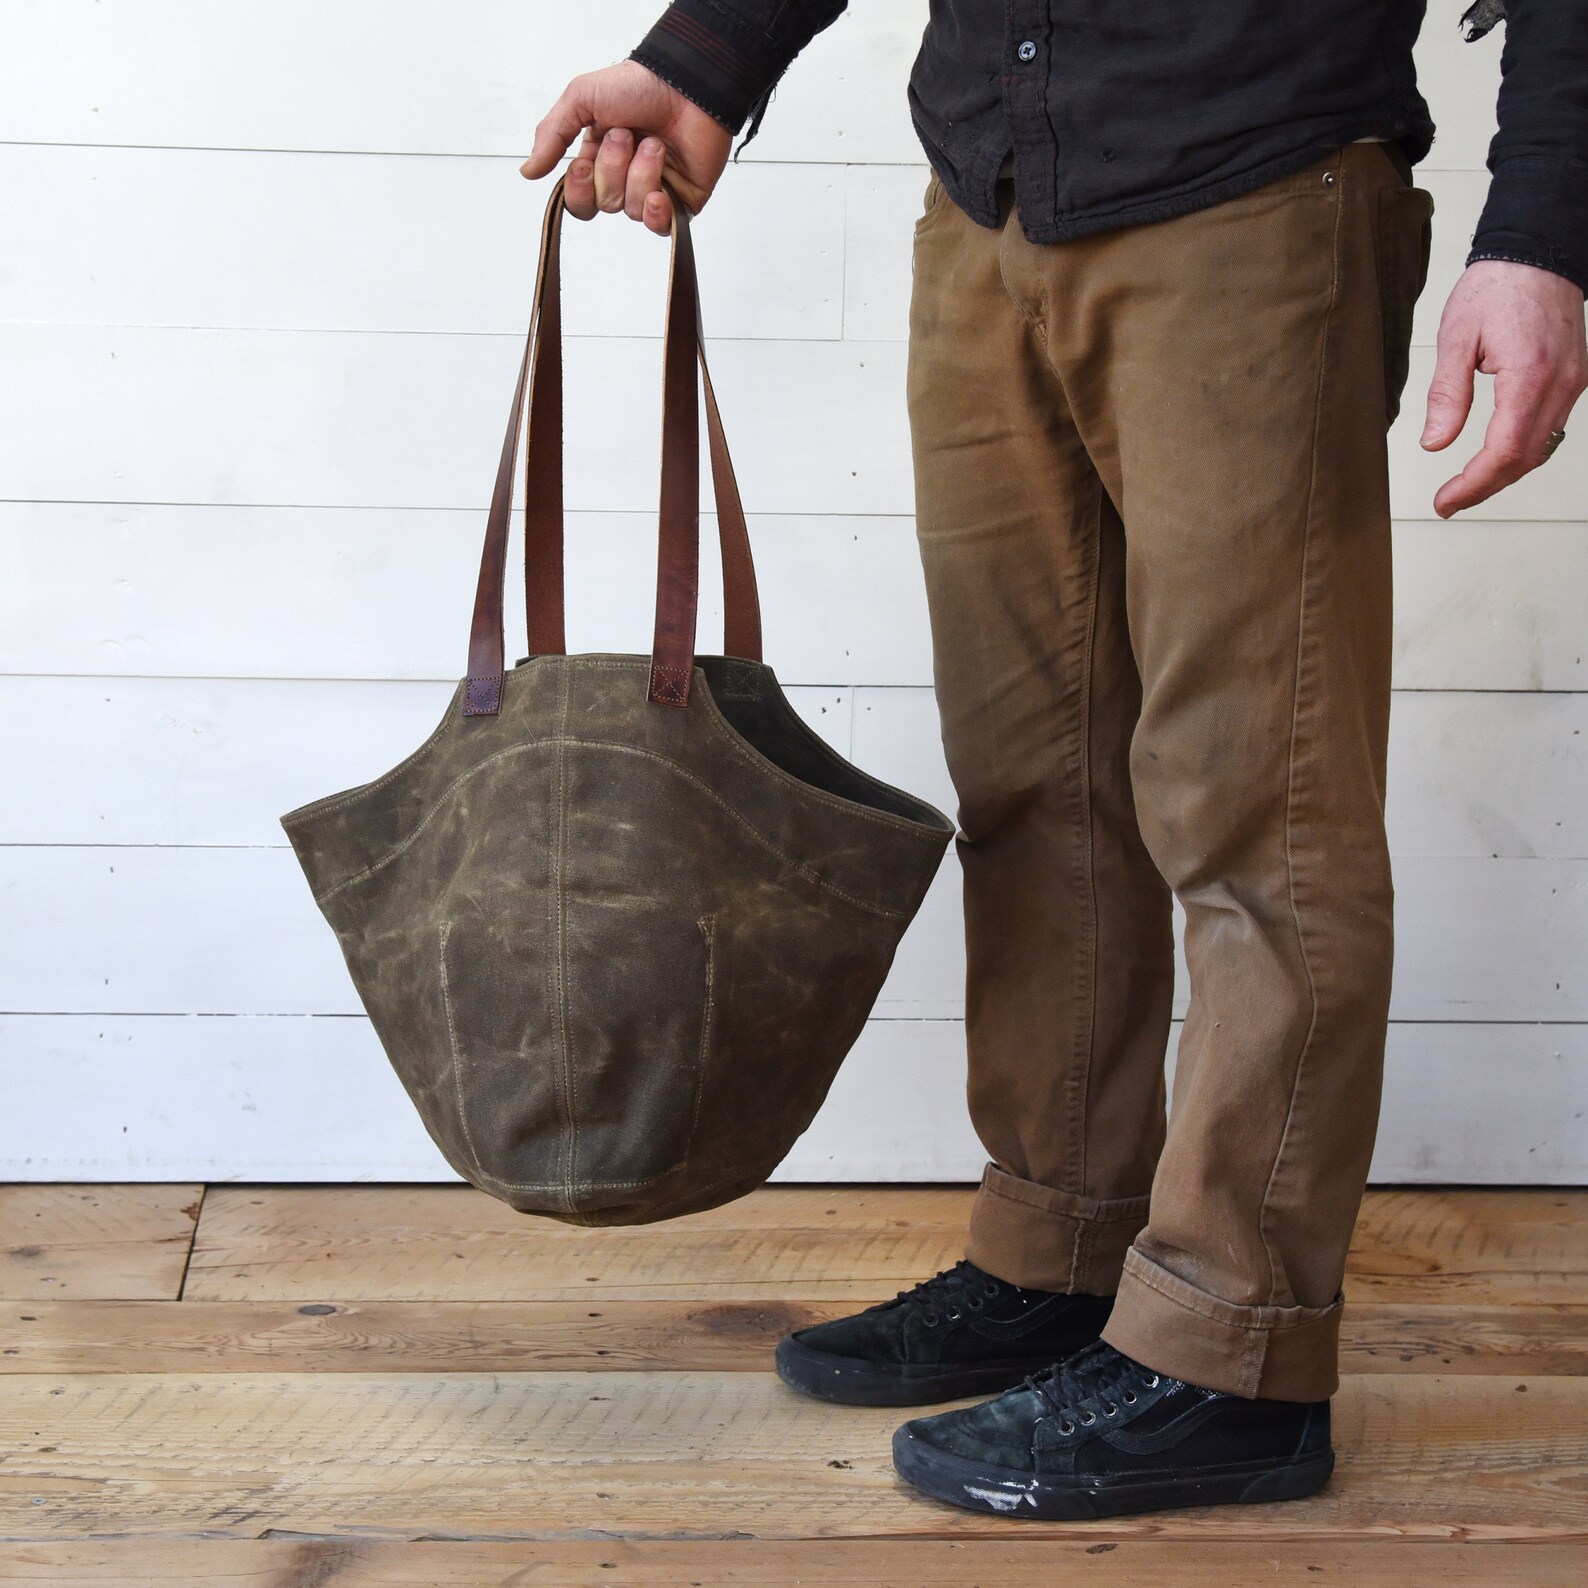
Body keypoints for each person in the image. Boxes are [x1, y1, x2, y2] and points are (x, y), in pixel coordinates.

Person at [522, 1, 1588, 1521]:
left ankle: (1238, 1353)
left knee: (1255, 807)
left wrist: (1545, 226)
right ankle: (1063, 1244)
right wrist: (703, 61)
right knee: (1032, 786)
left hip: (1256, 189)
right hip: (989, 197)